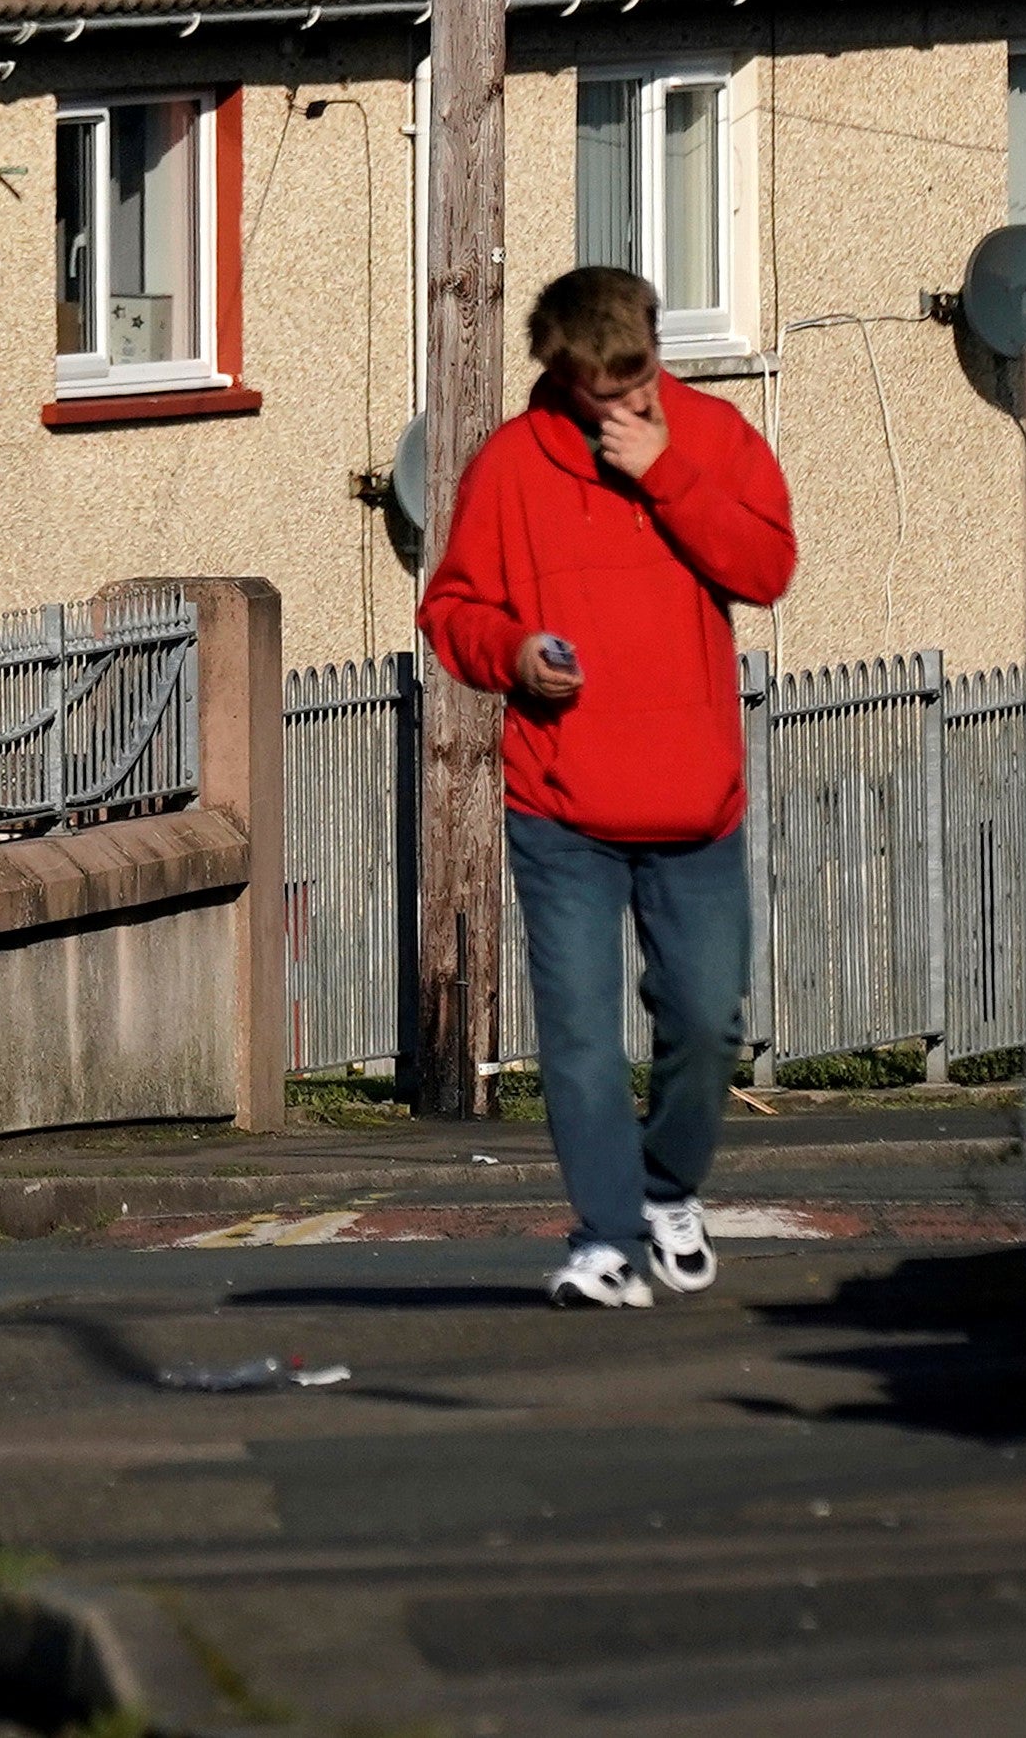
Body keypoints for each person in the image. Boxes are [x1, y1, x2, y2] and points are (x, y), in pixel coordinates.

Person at [415, 261, 798, 1309]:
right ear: (560, 375)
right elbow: (450, 611)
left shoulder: (713, 440)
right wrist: (514, 652)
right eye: (609, 394)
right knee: (579, 1039)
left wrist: (667, 472)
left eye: (644, 384)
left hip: (696, 806)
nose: (632, 407)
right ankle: (606, 1242)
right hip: (561, 811)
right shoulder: (509, 467)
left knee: (708, 1021)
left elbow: (767, 570)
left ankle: (668, 1188)